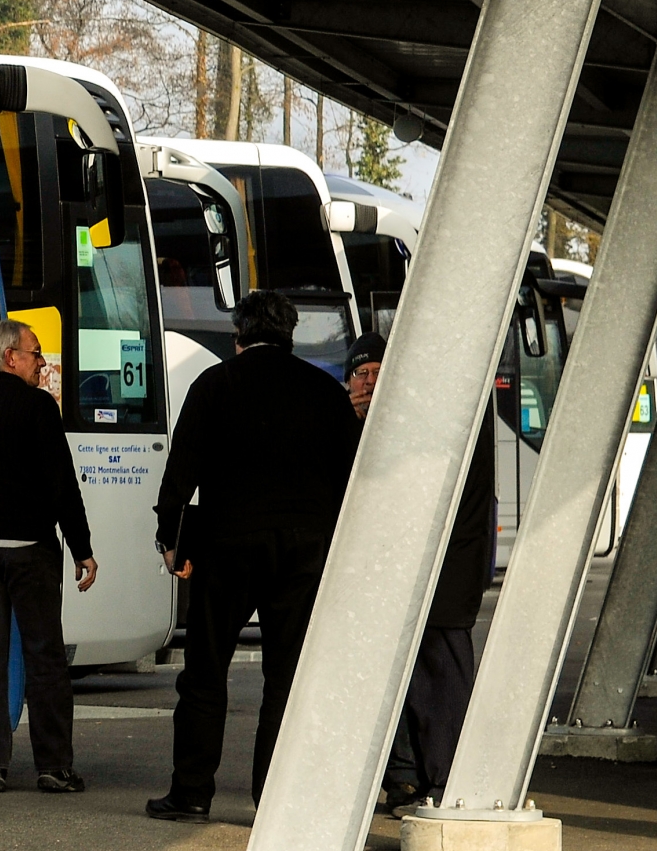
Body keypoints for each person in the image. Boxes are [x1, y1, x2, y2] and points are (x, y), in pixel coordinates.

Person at [145, 290, 361, 822]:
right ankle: (274, 797)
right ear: (291, 335)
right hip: (304, 551)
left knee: (205, 672)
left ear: (238, 335)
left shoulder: (214, 385)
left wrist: (169, 539)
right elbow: (350, 477)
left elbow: (181, 474)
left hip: (228, 548)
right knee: (285, 677)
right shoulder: (325, 392)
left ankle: (192, 791)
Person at [0, 318, 96, 794]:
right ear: (11, 357)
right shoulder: (37, 407)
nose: (42, 362)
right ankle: (53, 766)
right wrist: (82, 547)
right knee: (44, 656)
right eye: (35, 353)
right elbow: (60, 483)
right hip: (28, 548)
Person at [347, 332, 496, 813]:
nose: (370, 384)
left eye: (378, 374)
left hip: (443, 571)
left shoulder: (442, 408)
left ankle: (445, 782)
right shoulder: (443, 403)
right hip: (414, 570)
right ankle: (408, 780)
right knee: (408, 683)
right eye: (360, 374)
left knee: (440, 680)